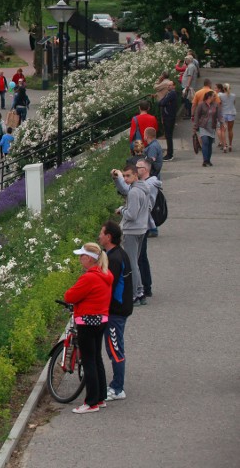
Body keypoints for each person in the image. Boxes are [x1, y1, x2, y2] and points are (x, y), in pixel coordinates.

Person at [64, 243, 113, 413]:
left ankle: (91, 402)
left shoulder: (89, 277)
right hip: (101, 320)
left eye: (82, 256)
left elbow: (70, 296)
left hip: (87, 321)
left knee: (88, 361)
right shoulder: (106, 274)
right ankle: (100, 398)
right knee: (97, 358)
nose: (79, 259)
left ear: (90, 259)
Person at [98, 221, 133, 402]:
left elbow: (107, 286)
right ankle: (116, 385)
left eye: (101, 233)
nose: (99, 236)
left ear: (109, 237)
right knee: (114, 347)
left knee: (115, 348)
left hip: (115, 311)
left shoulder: (114, 259)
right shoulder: (118, 254)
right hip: (119, 309)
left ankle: (118, 388)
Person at [111, 164, 151, 304]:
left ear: (135, 175)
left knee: (131, 263)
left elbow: (132, 214)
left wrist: (122, 210)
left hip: (132, 230)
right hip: (141, 229)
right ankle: (140, 292)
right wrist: (117, 179)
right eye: (124, 176)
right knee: (135, 261)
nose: (126, 179)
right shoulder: (143, 188)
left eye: (128, 176)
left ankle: (135, 294)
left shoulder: (134, 192)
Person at [193, 90, 221, 167]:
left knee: (209, 144)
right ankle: (205, 160)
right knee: (205, 142)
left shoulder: (215, 105)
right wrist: (195, 126)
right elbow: (197, 116)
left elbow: (219, 115)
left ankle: (208, 160)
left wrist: (222, 123)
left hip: (212, 127)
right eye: (213, 96)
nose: (215, 97)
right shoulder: (201, 105)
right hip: (203, 126)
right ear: (209, 97)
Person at [155, 72, 178, 160]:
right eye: (168, 86)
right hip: (167, 116)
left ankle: (170, 154)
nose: (168, 87)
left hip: (169, 117)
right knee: (168, 135)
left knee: (168, 136)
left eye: (170, 85)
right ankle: (169, 153)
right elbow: (162, 102)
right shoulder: (169, 94)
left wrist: (163, 103)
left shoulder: (172, 94)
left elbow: (162, 102)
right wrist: (163, 103)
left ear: (174, 86)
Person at [216, 83, 235, 152]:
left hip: (223, 114)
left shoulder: (220, 95)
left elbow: (218, 103)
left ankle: (224, 146)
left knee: (223, 130)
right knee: (230, 130)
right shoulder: (233, 95)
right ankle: (230, 145)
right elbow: (233, 103)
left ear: (223, 89)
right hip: (231, 113)